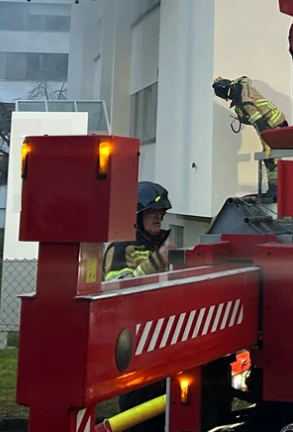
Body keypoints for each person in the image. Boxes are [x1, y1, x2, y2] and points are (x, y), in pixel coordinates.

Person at [102, 182, 173, 432]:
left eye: (161, 215)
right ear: (136, 217)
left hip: (161, 338)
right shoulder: (121, 247)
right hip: (133, 342)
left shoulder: (158, 245)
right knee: (137, 410)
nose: (159, 220)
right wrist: (156, 262)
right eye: (154, 215)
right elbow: (116, 289)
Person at [213, 77, 287, 202]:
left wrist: (267, 142)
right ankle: (275, 189)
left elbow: (259, 123)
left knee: (271, 158)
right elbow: (244, 78)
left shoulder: (244, 104)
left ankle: (275, 190)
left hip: (272, 126)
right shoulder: (242, 85)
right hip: (276, 120)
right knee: (270, 157)